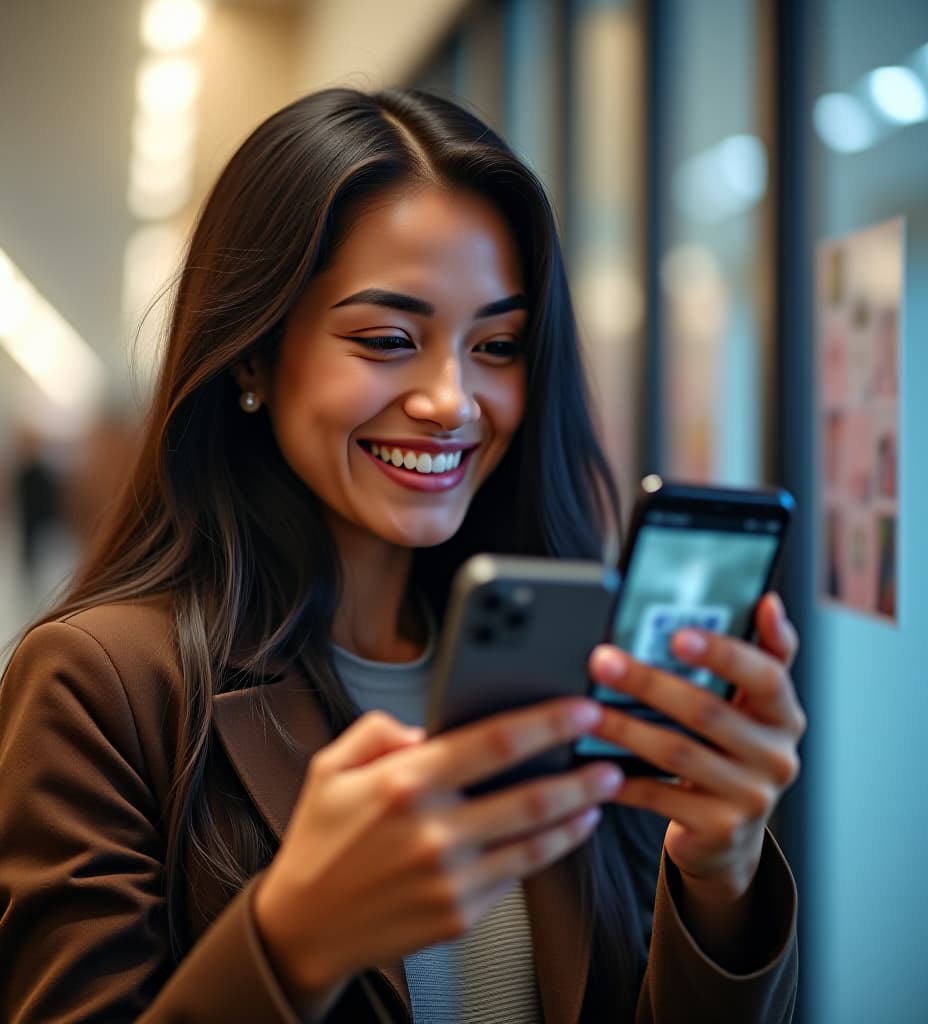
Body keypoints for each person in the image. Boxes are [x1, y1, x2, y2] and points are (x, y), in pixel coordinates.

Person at [0, 88, 805, 1023]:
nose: (451, 400)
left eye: (497, 345)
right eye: (387, 339)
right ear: (253, 357)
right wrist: (292, 942)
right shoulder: (100, 685)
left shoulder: (571, 664)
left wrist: (720, 870)